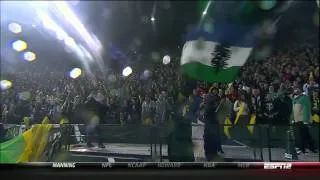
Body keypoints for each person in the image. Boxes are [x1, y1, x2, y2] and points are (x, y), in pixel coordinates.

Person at [292, 86, 317, 154]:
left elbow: (307, 108)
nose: (296, 90)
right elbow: (294, 110)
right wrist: (293, 119)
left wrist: (306, 120)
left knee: (305, 135)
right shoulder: (294, 99)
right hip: (297, 120)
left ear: (300, 89)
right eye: (295, 89)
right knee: (303, 135)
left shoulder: (304, 97)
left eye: (297, 88)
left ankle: (306, 148)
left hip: (303, 120)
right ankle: (307, 148)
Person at [203, 86, 222, 161]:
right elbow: (208, 108)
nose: (215, 92)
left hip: (214, 120)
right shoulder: (209, 97)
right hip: (209, 120)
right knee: (208, 138)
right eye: (214, 91)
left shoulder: (217, 98)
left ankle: (214, 153)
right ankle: (209, 154)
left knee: (214, 137)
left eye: (216, 91)